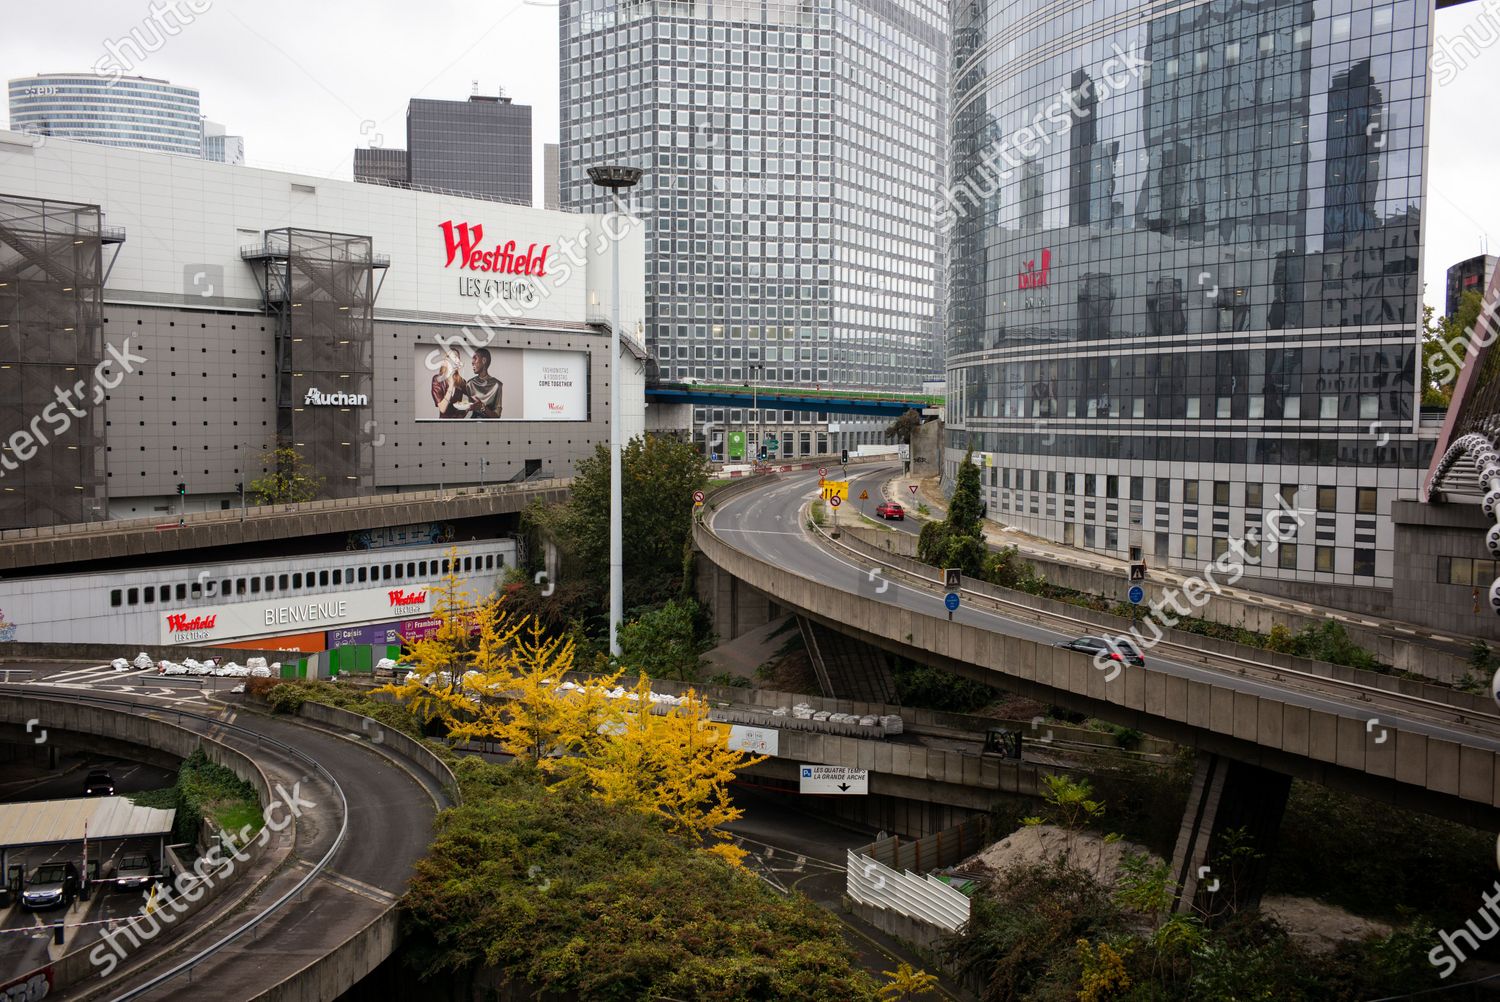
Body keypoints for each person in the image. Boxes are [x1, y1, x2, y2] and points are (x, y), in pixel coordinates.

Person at [465, 348, 503, 418]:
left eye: (475, 358)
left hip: (490, 426)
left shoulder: (497, 385)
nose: (472, 362)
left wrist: (482, 407)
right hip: (472, 425)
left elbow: (497, 416)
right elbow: (466, 409)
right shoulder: (470, 384)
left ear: (484, 361)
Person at [431, 350, 468, 419]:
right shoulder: (437, 380)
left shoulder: (461, 381)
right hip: (444, 424)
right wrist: (451, 385)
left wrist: (465, 411)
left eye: (457, 358)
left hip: (460, 422)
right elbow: (442, 409)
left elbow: (473, 396)